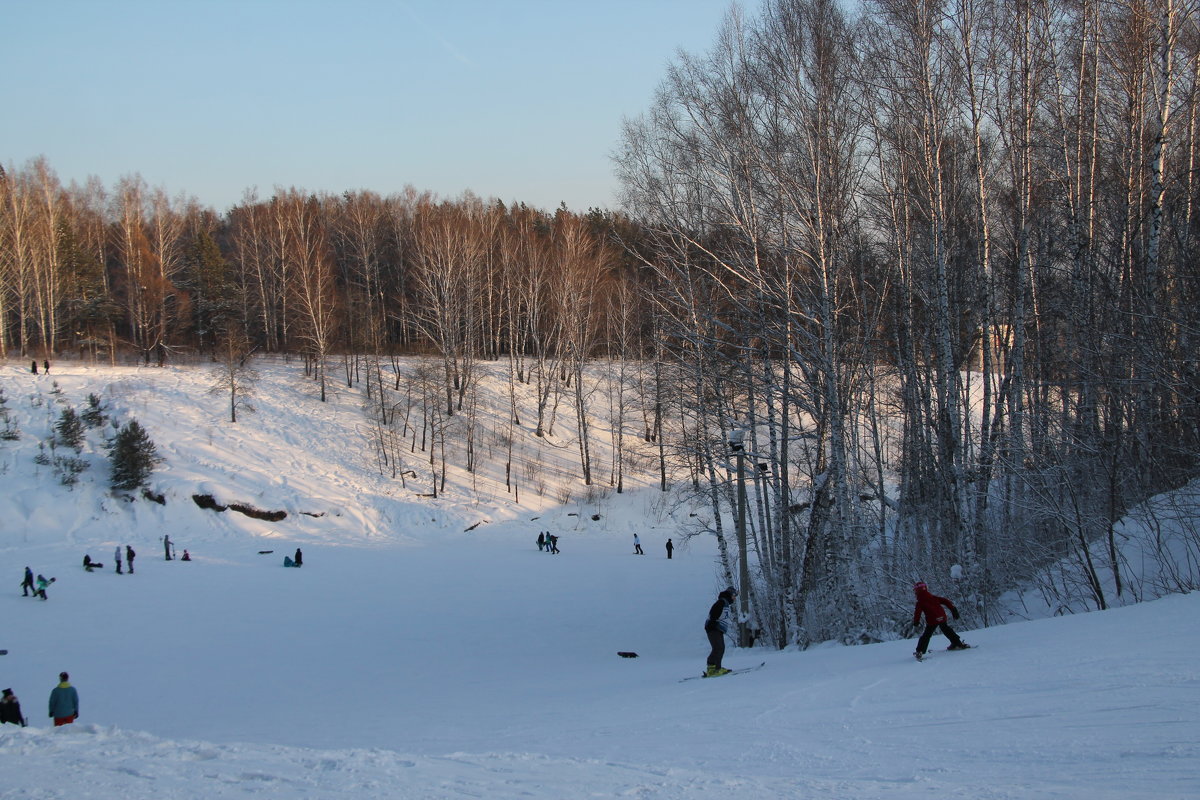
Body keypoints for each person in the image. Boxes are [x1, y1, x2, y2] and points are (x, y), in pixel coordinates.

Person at [911, 581, 969, 660]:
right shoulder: (933, 597)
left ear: (917, 591)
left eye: (915, 591)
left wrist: (916, 622)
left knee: (926, 635)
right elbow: (946, 601)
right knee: (946, 629)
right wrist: (953, 610)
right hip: (942, 617)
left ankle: (920, 651)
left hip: (932, 620)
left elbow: (917, 612)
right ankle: (957, 643)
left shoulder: (920, 602)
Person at [704, 587, 737, 677]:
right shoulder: (722, 602)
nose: (735, 598)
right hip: (713, 628)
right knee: (718, 648)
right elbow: (714, 613)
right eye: (734, 595)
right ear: (730, 594)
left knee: (720, 648)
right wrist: (713, 624)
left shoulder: (724, 602)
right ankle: (715, 669)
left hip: (716, 628)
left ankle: (713, 668)